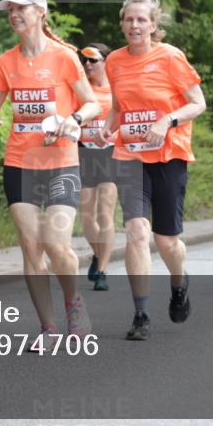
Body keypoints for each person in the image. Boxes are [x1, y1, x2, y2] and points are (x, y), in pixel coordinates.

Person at [0, 0, 100, 345]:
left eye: (21, 9)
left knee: (56, 244)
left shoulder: (64, 57)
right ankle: (48, 328)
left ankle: (73, 303)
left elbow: (92, 103)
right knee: (31, 247)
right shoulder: (5, 61)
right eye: (10, 10)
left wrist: (72, 119)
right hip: (19, 163)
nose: (14, 15)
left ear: (40, 13)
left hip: (61, 162)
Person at [95, 0, 205, 340]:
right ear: (122, 23)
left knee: (167, 241)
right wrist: (108, 127)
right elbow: (119, 107)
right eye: (129, 19)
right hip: (130, 156)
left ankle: (179, 282)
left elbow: (197, 103)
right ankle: (140, 314)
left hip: (169, 156)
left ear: (153, 25)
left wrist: (166, 120)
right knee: (137, 231)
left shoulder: (170, 57)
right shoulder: (114, 61)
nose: (135, 25)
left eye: (142, 20)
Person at [76, 44, 118, 291]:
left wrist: (115, 134)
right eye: (85, 60)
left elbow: (126, 117)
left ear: (106, 62)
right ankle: (97, 253)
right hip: (84, 153)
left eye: (93, 60)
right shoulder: (81, 89)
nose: (88, 64)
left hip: (110, 153)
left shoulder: (117, 88)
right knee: (87, 217)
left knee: (105, 213)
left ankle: (102, 270)